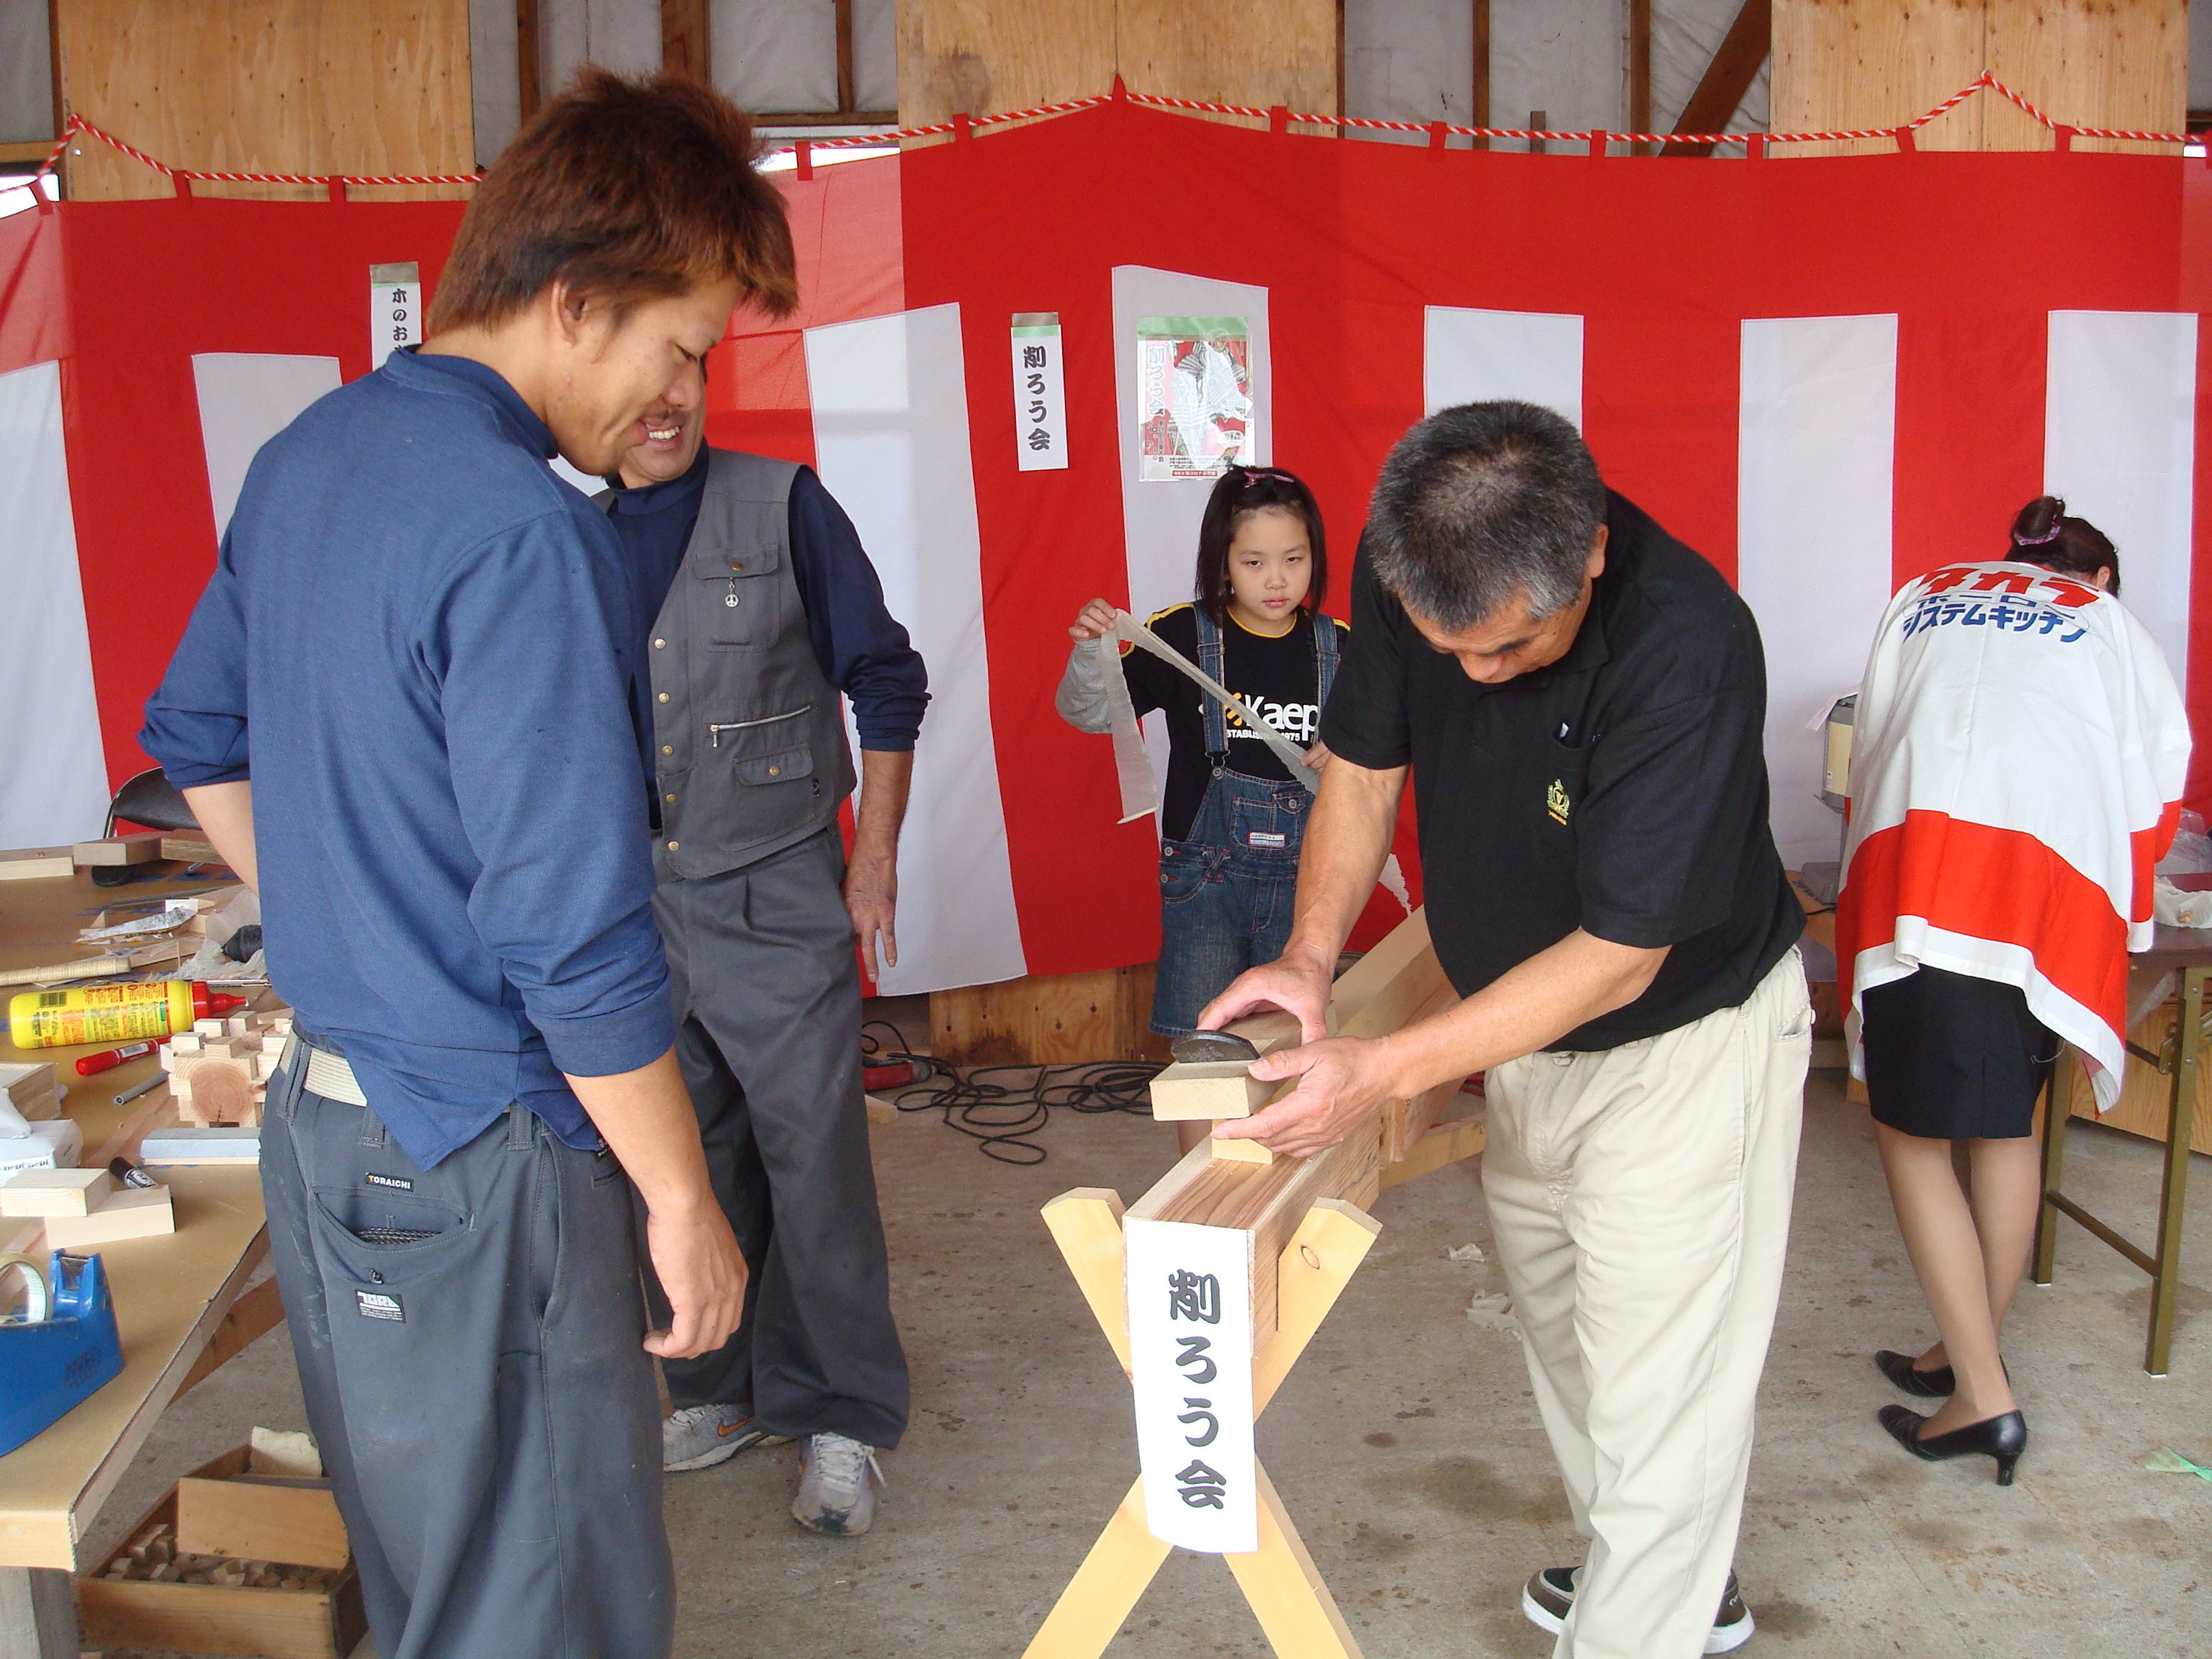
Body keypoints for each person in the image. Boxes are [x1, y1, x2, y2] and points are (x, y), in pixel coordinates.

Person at [139, 71, 794, 1659]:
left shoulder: (314, 458)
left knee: (443, 1579)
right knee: (548, 1605)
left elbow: (195, 732)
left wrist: (343, 916)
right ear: (575, 304)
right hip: (493, 1148)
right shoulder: (519, 527)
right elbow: (572, 943)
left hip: (336, 1124)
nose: (672, 395)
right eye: (678, 348)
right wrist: (680, 1194)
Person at [1199, 403, 1808, 1658]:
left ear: (1586, 552)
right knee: (1569, 1339)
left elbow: (1619, 954)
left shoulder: (1686, 642)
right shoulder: (1414, 555)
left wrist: (1383, 1065)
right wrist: (1313, 959)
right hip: (1521, 1036)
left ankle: (1647, 1610)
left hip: (1682, 1042)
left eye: (1508, 648)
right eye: (1447, 649)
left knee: (1661, 1388)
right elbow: (1363, 767)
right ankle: (1666, 1571)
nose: (1473, 677)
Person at [599, 363, 925, 1534]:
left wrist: (871, 856)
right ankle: (716, 1388)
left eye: (686, 364)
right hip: (628, 900)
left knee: (813, 1163)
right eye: (641, 371)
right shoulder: (561, 526)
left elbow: (887, 677)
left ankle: (843, 1409)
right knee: (680, 1158)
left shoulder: (783, 502)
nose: (666, 394)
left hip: (777, 884)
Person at [1838, 496, 2188, 1485]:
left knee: (1909, 1136)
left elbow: (1873, 744)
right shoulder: (2107, 626)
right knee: (2010, 1127)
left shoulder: (1927, 594)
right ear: (2100, 577)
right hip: (2048, 903)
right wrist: (2119, 900)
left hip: (1935, 877)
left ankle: (1983, 1398)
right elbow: (2158, 780)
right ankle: (1967, 1348)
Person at [1056, 464, 1343, 1152]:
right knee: (1204, 1055)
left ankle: (1274, 1184)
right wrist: (1090, 656)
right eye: (1254, 562)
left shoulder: (1340, 648)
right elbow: (1092, 715)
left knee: (1290, 1046)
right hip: (1205, 884)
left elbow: (1394, 747)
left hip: (1308, 886)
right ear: (1221, 565)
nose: (1276, 580)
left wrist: (1356, 745)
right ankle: (1199, 1194)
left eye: (1294, 560)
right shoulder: (1181, 636)